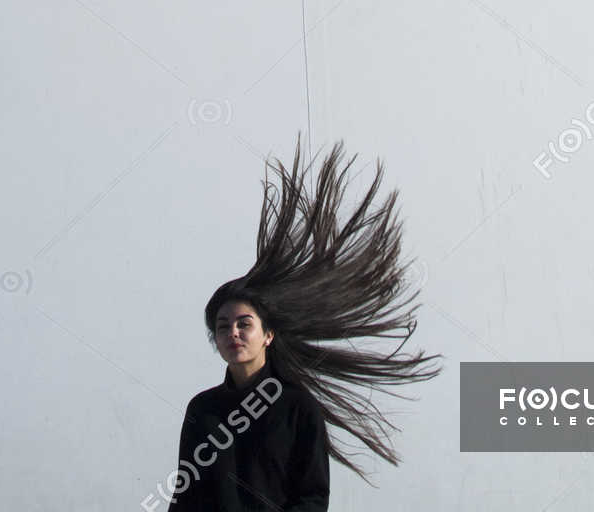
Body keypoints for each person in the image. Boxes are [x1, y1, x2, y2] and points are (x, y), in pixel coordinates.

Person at [165, 137, 442, 509]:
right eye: (222, 325)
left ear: (268, 334)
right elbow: (185, 495)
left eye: (244, 324)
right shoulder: (203, 409)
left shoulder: (298, 408)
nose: (232, 332)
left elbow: (312, 498)